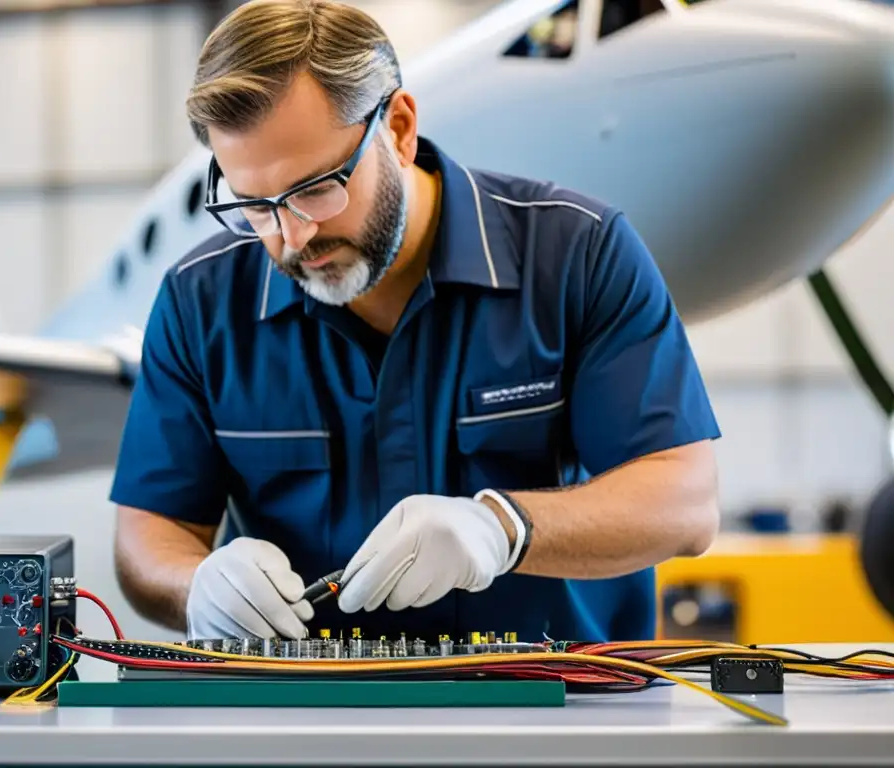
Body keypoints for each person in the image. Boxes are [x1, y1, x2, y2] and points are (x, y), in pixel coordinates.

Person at [110, 0, 722, 645]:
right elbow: (148, 537)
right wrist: (195, 584)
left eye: (318, 189)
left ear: (398, 128)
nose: (293, 237)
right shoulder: (200, 299)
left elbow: (681, 505)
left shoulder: (579, 255)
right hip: (298, 714)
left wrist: (505, 529)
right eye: (257, 206)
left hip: (560, 708)